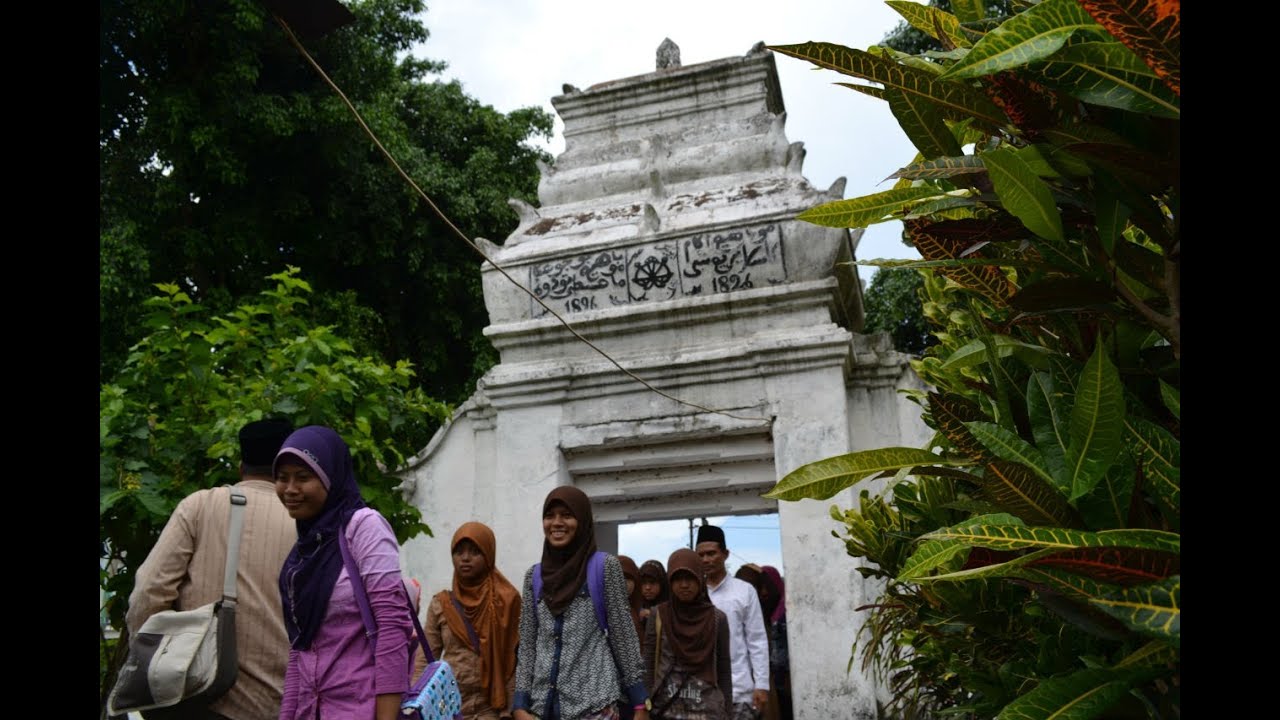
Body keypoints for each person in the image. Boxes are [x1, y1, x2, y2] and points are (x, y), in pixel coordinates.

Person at [126, 419, 297, 720]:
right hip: (281, 704)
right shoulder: (308, 522)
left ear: (241, 467)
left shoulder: (200, 506)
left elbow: (148, 592)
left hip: (196, 698)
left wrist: (153, 662)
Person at [274, 425, 414, 720]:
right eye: (282, 478)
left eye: (303, 477)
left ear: (330, 477)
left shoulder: (363, 527)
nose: (290, 489)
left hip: (360, 708)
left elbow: (391, 626)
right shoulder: (305, 551)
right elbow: (301, 648)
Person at [512, 486, 651, 720]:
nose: (556, 523)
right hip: (543, 707)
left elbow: (623, 637)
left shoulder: (604, 567)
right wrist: (519, 704)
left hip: (594, 706)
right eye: (549, 516)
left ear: (583, 520)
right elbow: (527, 646)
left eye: (567, 515)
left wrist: (640, 702)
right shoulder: (534, 577)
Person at [423, 521, 522, 720]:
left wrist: (514, 709)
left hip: (492, 709)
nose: (465, 559)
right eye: (459, 552)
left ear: (488, 555)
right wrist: (415, 703)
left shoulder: (507, 600)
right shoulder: (441, 604)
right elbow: (425, 658)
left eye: (474, 552)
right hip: (450, 708)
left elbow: (516, 658)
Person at [642, 548, 732, 720]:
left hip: (708, 711)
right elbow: (648, 662)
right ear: (670, 581)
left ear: (700, 578)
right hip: (665, 709)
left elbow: (724, 669)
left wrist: (727, 711)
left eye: (690, 578)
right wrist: (644, 706)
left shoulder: (717, 618)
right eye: (677, 579)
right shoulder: (659, 615)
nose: (684, 585)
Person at [695, 525, 769, 720]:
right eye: (700, 555)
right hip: (700, 692)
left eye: (711, 553)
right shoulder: (692, 594)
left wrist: (761, 685)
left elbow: (757, 640)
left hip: (740, 691)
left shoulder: (744, 591)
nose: (705, 560)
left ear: (725, 554)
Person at [758, 567, 790, 720]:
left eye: (768, 587)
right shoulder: (762, 613)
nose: (764, 593)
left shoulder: (786, 613)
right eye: (760, 588)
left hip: (786, 681)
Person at [618, 555, 646, 639]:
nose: (623, 583)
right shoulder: (598, 610)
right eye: (619, 577)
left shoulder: (642, 613)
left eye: (628, 578)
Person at [637, 559, 670, 625]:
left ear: (662, 584)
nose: (647, 587)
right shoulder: (634, 606)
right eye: (643, 583)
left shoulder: (671, 607)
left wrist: (656, 616)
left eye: (652, 582)